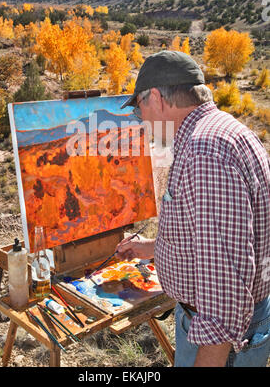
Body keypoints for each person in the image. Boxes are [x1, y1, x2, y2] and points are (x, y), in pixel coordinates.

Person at [116, 50, 270, 367]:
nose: (141, 118)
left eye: (139, 107)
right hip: (234, 326)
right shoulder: (223, 130)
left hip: (221, 343)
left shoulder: (205, 152)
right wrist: (150, 248)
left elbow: (225, 290)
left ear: (156, 98)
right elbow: (217, 240)